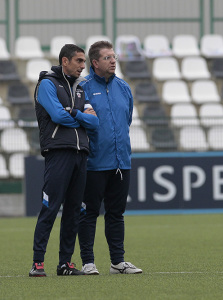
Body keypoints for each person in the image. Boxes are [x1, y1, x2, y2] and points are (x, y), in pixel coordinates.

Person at [29, 44, 99, 277]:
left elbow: (95, 122)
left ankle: (65, 264)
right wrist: (80, 118)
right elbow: (57, 115)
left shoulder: (79, 89)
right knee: (50, 209)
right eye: (79, 61)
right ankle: (37, 263)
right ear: (65, 61)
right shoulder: (47, 84)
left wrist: (73, 114)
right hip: (58, 152)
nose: (83, 66)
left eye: (84, 62)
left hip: (81, 154)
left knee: (73, 211)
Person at [78, 41, 142, 275]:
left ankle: (118, 261)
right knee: (89, 213)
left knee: (116, 214)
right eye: (107, 58)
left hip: (121, 161)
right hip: (93, 162)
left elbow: (127, 121)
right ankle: (88, 262)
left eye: (114, 57)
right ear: (94, 63)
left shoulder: (124, 87)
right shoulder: (82, 87)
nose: (113, 61)